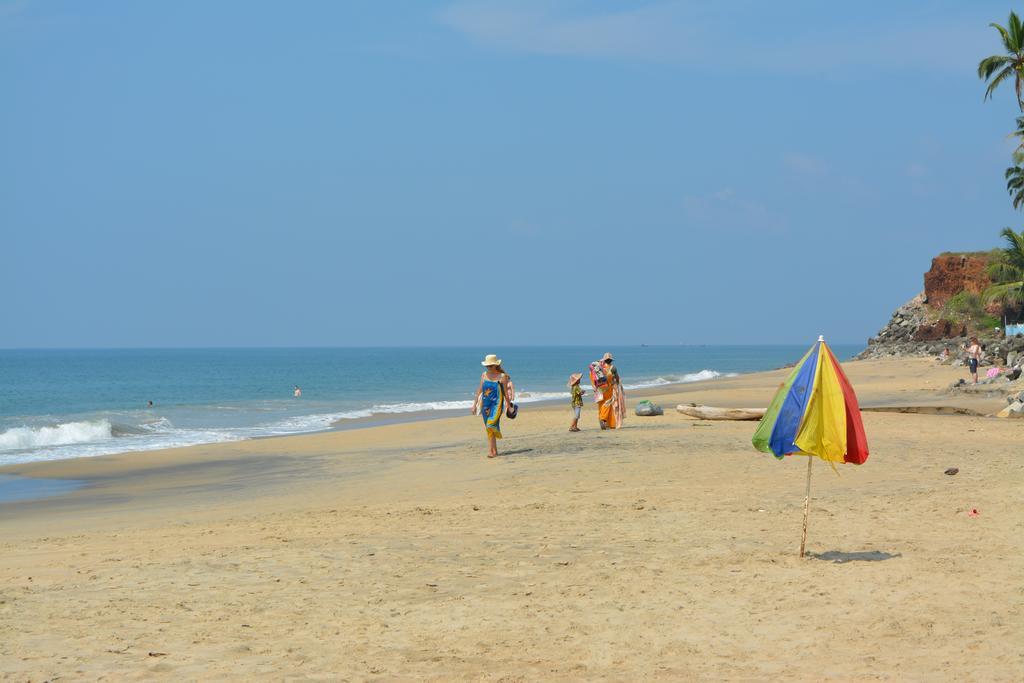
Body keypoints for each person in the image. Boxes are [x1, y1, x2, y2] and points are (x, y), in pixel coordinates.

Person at [472, 354, 513, 458]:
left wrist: (508, 405)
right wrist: (474, 404)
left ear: (495, 365)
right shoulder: (484, 375)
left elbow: (505, 393)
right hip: (485, 405)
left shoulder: (502, 377)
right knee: (489, 428)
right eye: (487, 366)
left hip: (497, 405)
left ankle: (492, 451)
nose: (488, 368)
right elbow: (479, 390)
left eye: (490, 366)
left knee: (491, 425)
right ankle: (493, 451)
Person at [595, 352, 625, 430]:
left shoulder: (600, 367)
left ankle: (607, 423)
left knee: (601, 405)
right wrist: (618, 384)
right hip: (609, 389)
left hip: (600, 389)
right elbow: (617, 378)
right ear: (611, 360)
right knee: (608, 404)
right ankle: (603, 418)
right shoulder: (613, 368)